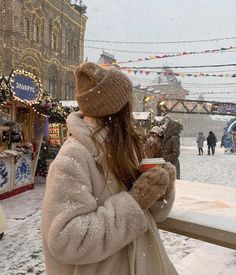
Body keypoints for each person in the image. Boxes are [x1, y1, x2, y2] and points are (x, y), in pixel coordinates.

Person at [42, 62, 178, 275]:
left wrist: (161, 188)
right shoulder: (73, 157)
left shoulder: (127, 148)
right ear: (117, 109)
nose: (131, 108)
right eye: (127, 101)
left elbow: (152, 216)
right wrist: (135, 201)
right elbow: (66, 240)